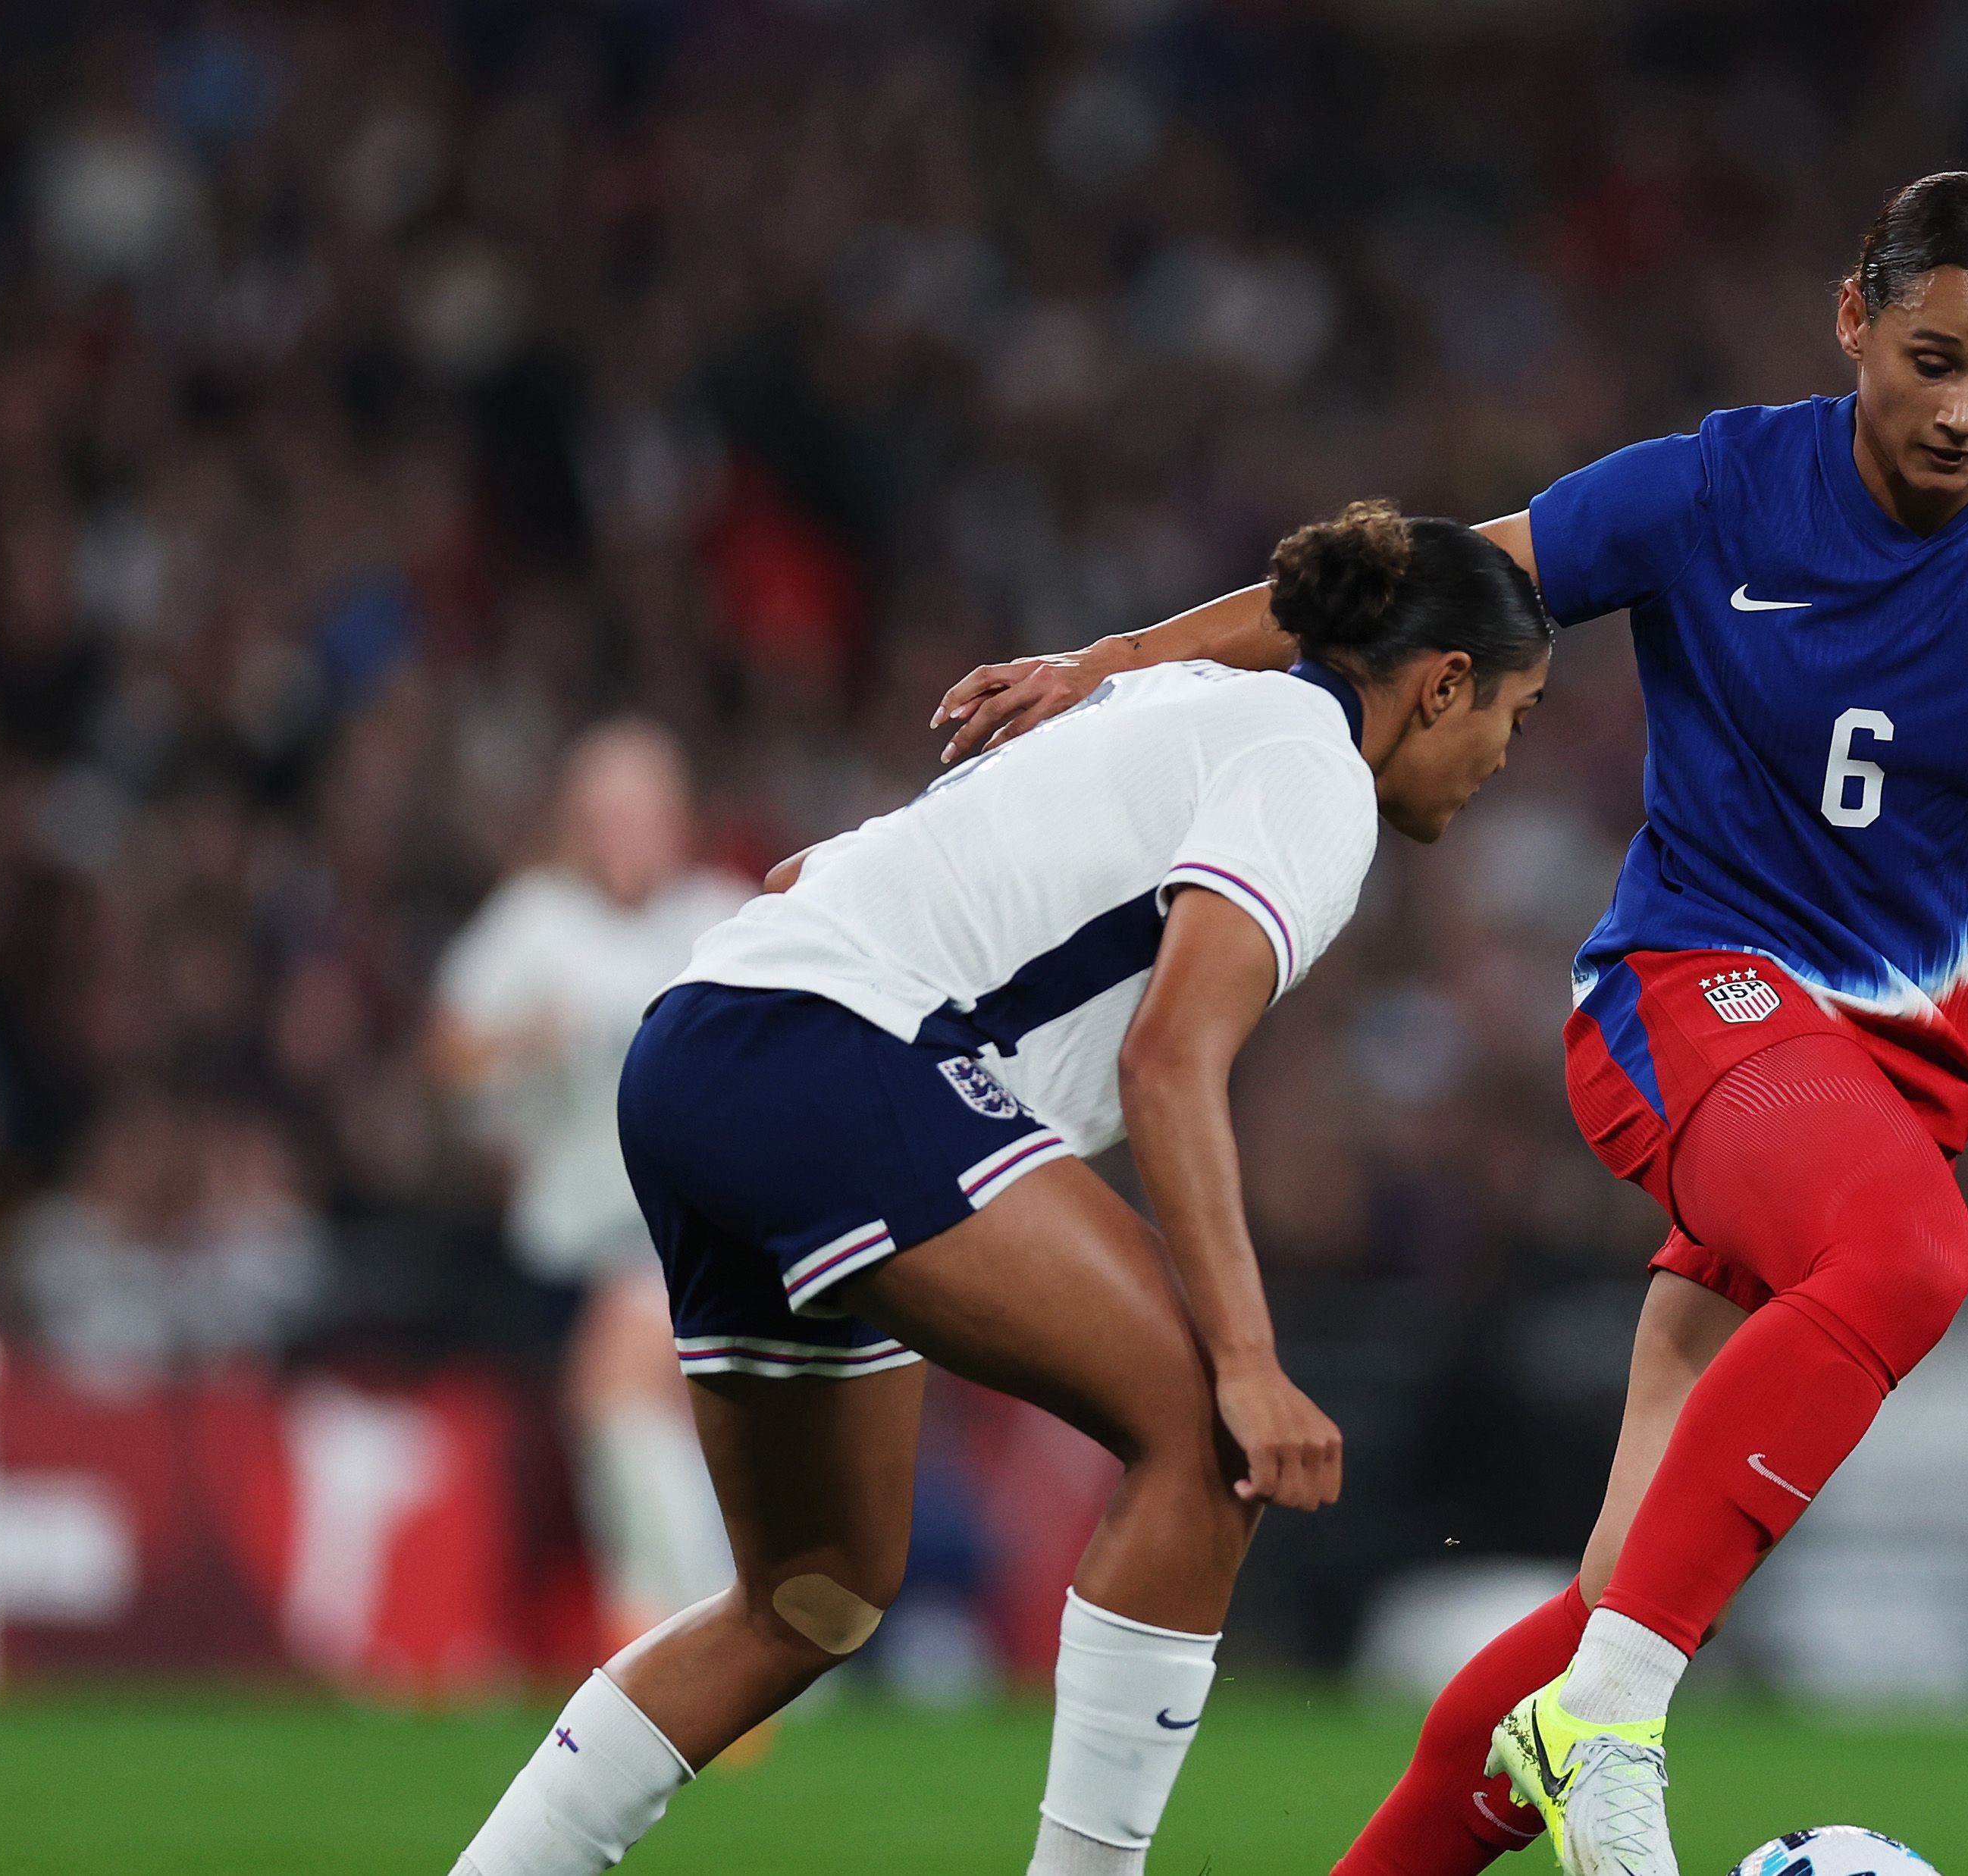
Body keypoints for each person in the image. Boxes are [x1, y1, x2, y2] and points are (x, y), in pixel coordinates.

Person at [930, 172, 1968, 1876]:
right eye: (1933, 355)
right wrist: (1121, 658)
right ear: (1853, 320)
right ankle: (1615, 1709)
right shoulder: (1718, 488)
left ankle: (1529, 1750)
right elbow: (1426, 586)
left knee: (1615, 1600)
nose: (1966, 407)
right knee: (1906, 1264)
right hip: (1691, 1003)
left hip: (1871, 1094)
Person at [448, 500, 1554, 1876]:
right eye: (1516, 708)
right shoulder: (1313, 770)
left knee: (813, 1598)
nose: (1509, 751)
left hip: (704, 1042)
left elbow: (809, 872)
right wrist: (1253, 1361)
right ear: (1442, 682)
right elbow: (1168, 1064)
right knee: (1208, 1436)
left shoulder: (1172, 701)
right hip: (829, 1057)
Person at [431, 722, 750, 1649]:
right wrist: (525, 1040)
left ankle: (695, 1625)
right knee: (618, 1421)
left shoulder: (721, 917)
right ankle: (683, 1623)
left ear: (678, 821)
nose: (622, 836)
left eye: (640, 814)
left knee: (621, 1379)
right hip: (565, 1237)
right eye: (603, 816)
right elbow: (449, 1051)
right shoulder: (536, 924)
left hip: (697, 1229)